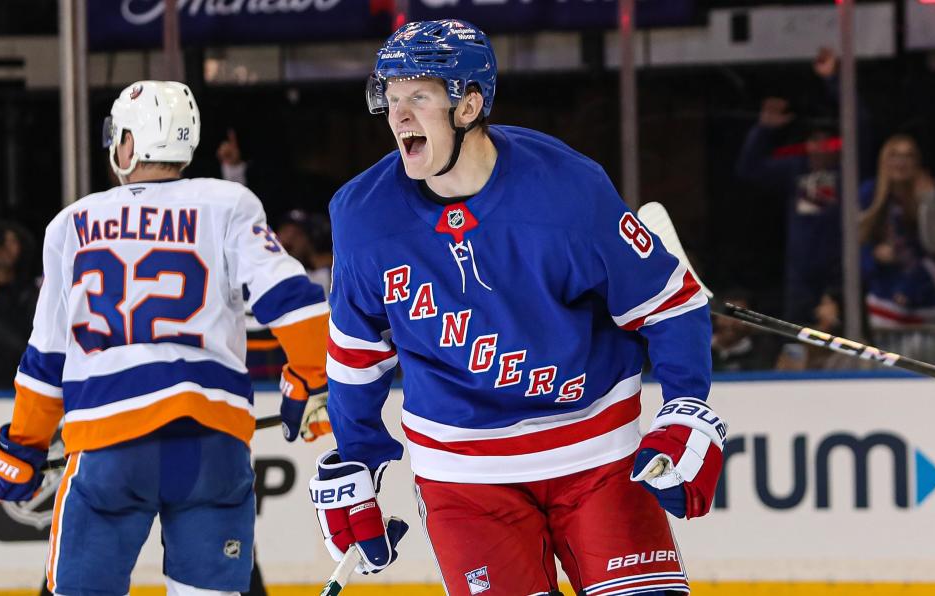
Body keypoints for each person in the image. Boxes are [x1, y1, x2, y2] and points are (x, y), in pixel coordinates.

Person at [308, 20, 726, 596]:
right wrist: (357, 460)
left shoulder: (568, 190)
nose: (398, 115)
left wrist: (684, 404)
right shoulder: (361, 215)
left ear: (468, 104)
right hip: (464, 479)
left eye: (419, 96)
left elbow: (670, 305)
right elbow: (356, 353)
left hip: (599, 457)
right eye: (392, 96)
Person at [0, 80, 330, 596]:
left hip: (108, 447)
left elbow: (48, 355)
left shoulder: (71, 224)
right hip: (211, 446)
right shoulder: (228, 203)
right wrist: (313, 376)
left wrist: (26, 444)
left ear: (129, 143)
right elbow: (293, 299)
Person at [735, 47, 858, 325]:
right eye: (814, 140)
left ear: (839, 146)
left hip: (843, 275)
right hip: (800, 278)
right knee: (796, 342)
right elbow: (749, 169)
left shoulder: (847, 172)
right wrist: (763, 129)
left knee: (843, 340)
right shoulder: (796, 169)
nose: (820, 147)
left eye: (828, 141)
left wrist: (833, 81)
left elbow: (860, 124)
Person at [859, 134, 935, 359]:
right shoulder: (870, 194)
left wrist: (929, 202)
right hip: (885, 305)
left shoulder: (929, 195)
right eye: (894, 155)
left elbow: (933, 246)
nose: (901, 162)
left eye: (908, 156)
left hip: (927, 304)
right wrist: (875, 257)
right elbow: (856, 245)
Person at [0, 220, 39, 387]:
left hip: (14, 386)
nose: (5, 249)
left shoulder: (29, 293)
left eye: (12, 241)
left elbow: (24, 346)